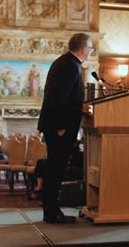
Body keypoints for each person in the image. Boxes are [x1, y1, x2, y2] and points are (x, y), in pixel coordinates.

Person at [37, 33, 93, 224]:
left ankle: (52, 210)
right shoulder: (70, 66)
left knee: (56, 169)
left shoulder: (64, 62)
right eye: (91, 48)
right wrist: (60, 127)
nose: (91, 52)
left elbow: (62, 97)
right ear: (84, 48)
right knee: (56, 170)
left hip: (56, 125)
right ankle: (51, 212)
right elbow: (59, 99)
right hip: (59, 127)